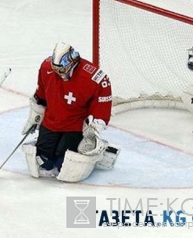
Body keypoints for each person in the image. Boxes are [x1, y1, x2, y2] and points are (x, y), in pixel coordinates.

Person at [21, 42, 120, 183]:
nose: (59, 74)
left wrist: (95, 128)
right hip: (52, 121)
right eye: (56, 69)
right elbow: (41, 95)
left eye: (62, 70)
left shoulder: (94, 77)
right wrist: (36, 114)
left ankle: (100, 153)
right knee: (44, 164)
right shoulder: (46, 68)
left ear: (72, 62)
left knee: (65, 165)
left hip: (75, 125)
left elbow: (102, 102)